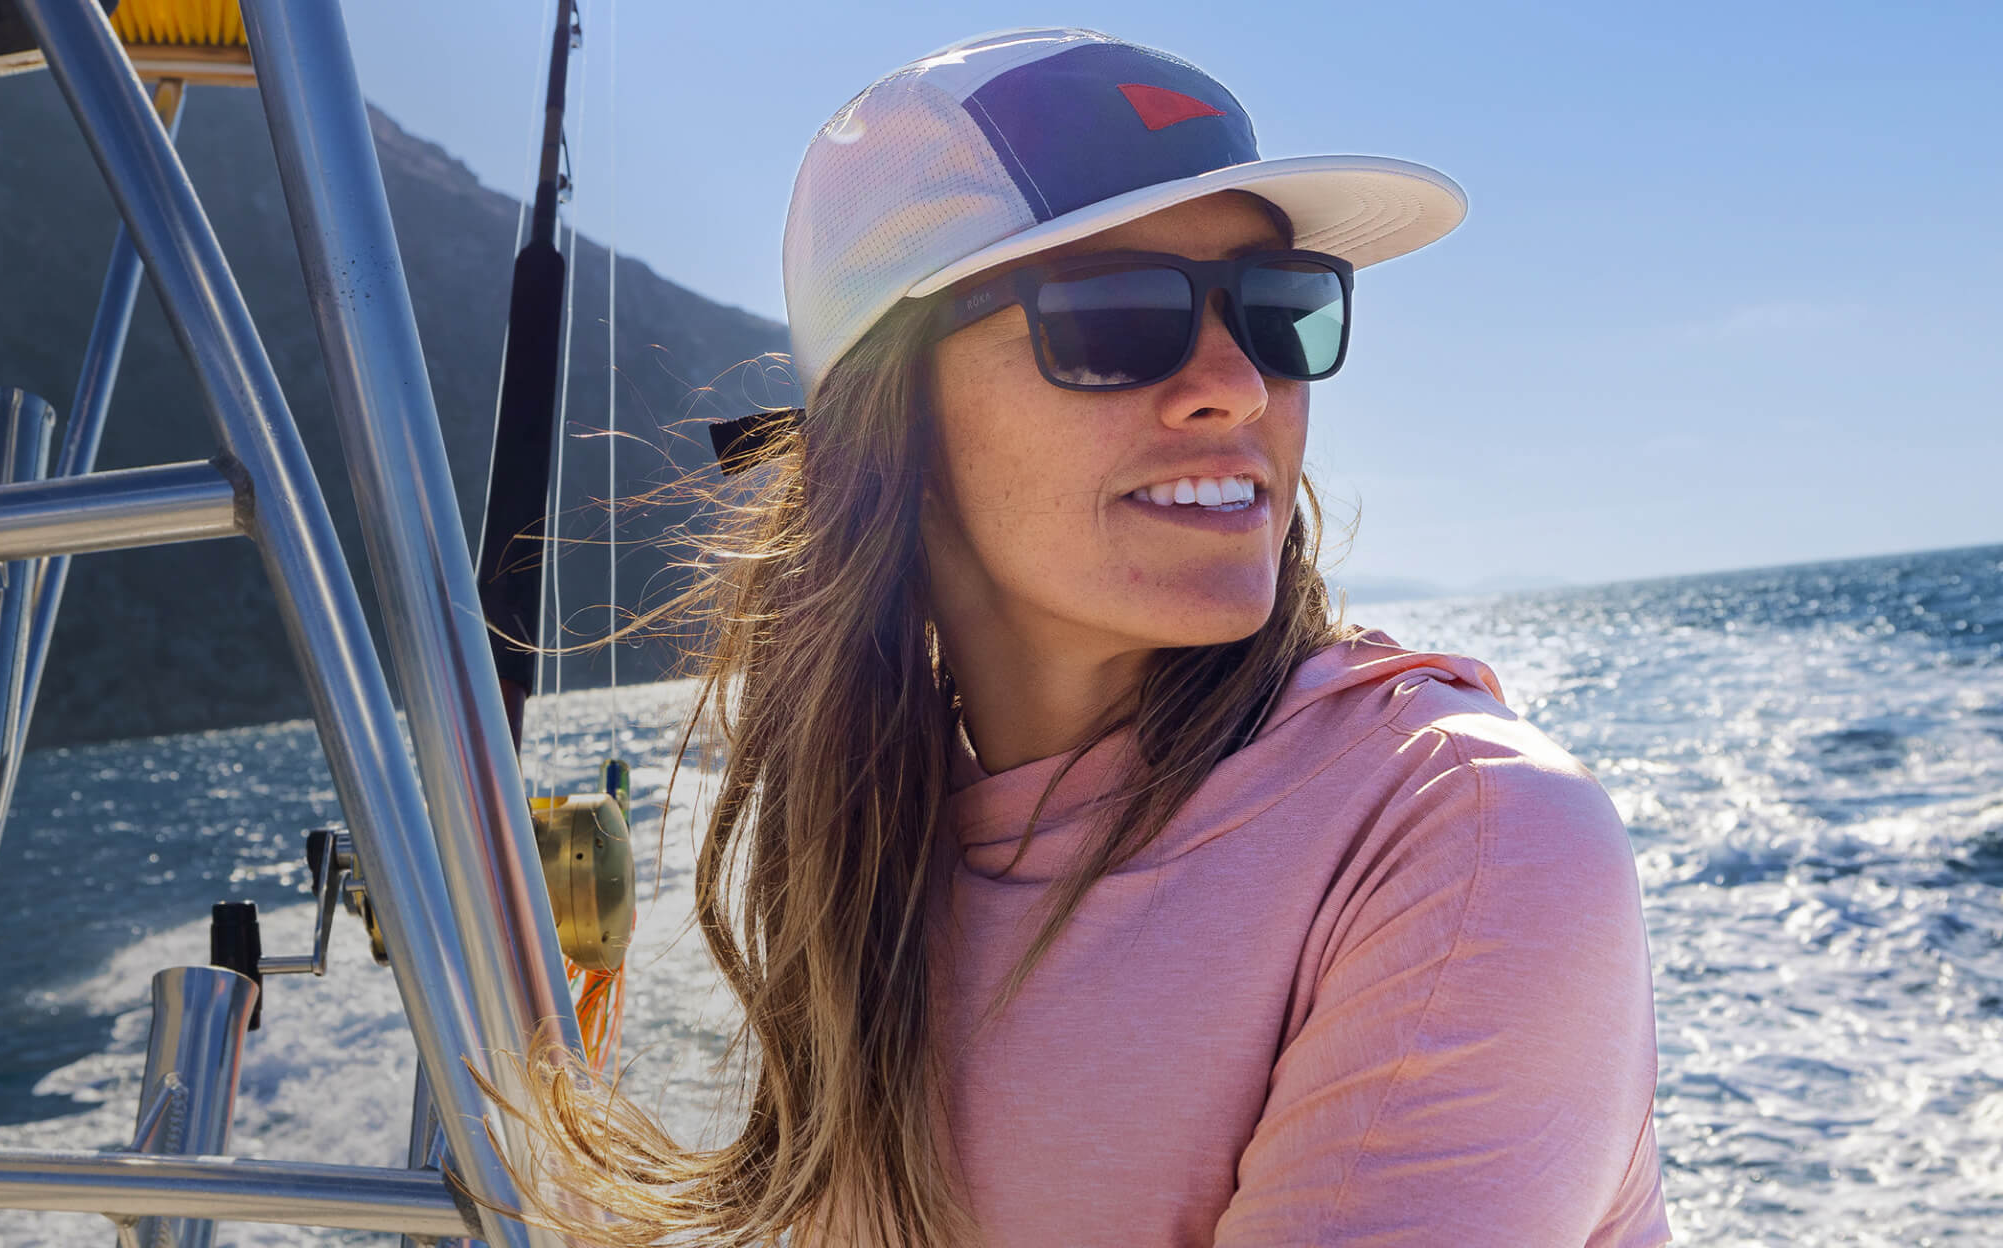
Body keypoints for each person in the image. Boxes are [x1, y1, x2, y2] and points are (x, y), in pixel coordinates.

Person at [485, 27, 1670, 1247]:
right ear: (891, 421)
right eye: (1112, 318)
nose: (1239, 386)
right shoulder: (867, 856)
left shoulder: (1465, 835)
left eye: (1281, 312)